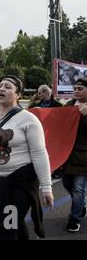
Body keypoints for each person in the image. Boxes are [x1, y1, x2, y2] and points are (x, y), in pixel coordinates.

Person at [0, 75, 54, 240]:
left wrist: (46, 187)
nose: (1, 89)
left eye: (8, 87)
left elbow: (39, 153)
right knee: (14, 224)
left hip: (19, 185)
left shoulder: (29, 119)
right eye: (0, 85)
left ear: (18, 95)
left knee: (6, 231)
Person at [62, 77, 87, 232]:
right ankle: (82, 204)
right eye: (75, 88)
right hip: (67, 155)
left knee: (78, 189)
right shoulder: (69, 105)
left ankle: (74, 218)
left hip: (84, 157)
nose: (76, 91)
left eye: (80, 89)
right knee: (67, 184)